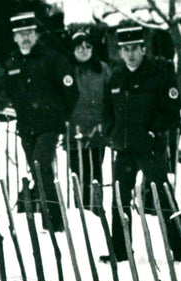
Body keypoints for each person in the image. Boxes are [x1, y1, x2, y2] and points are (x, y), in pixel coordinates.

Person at [102, 26, 181, 263]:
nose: (130, 54)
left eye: (135, 49)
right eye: (126, 50)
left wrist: (152, 132)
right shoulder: (116, 78)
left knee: (162, 195)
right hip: (124, 148)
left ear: (143, 49)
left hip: (150, 147)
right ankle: (120, 250)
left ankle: (180, 248)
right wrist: (112, 133)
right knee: (119, 198)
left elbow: (172, 113)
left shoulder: (159, 74)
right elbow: (107, 111)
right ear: (120, 52)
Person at [3, 11, 79, 232]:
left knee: (41, 165)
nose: (25, 37)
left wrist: (59, 118)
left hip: (48, 125)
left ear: (36, 34)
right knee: (39, 171)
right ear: (15, 37)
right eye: (20, 33)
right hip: (26, 126)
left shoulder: (53, 59)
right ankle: (52, 220)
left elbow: (71, 91)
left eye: (29, 32)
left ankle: (54, 222)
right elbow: (8, 91)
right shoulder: (12, 62)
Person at [68, 29, 109, 212]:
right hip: (74, 129)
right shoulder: (67, 69)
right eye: (79, 47)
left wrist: (106, 122)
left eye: (88, 46)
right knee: (78, 171)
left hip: (97, 129)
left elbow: (110, 97)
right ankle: (80, 211)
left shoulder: (102, 69)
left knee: (95, 171)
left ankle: (96, 208)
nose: (83, 50)